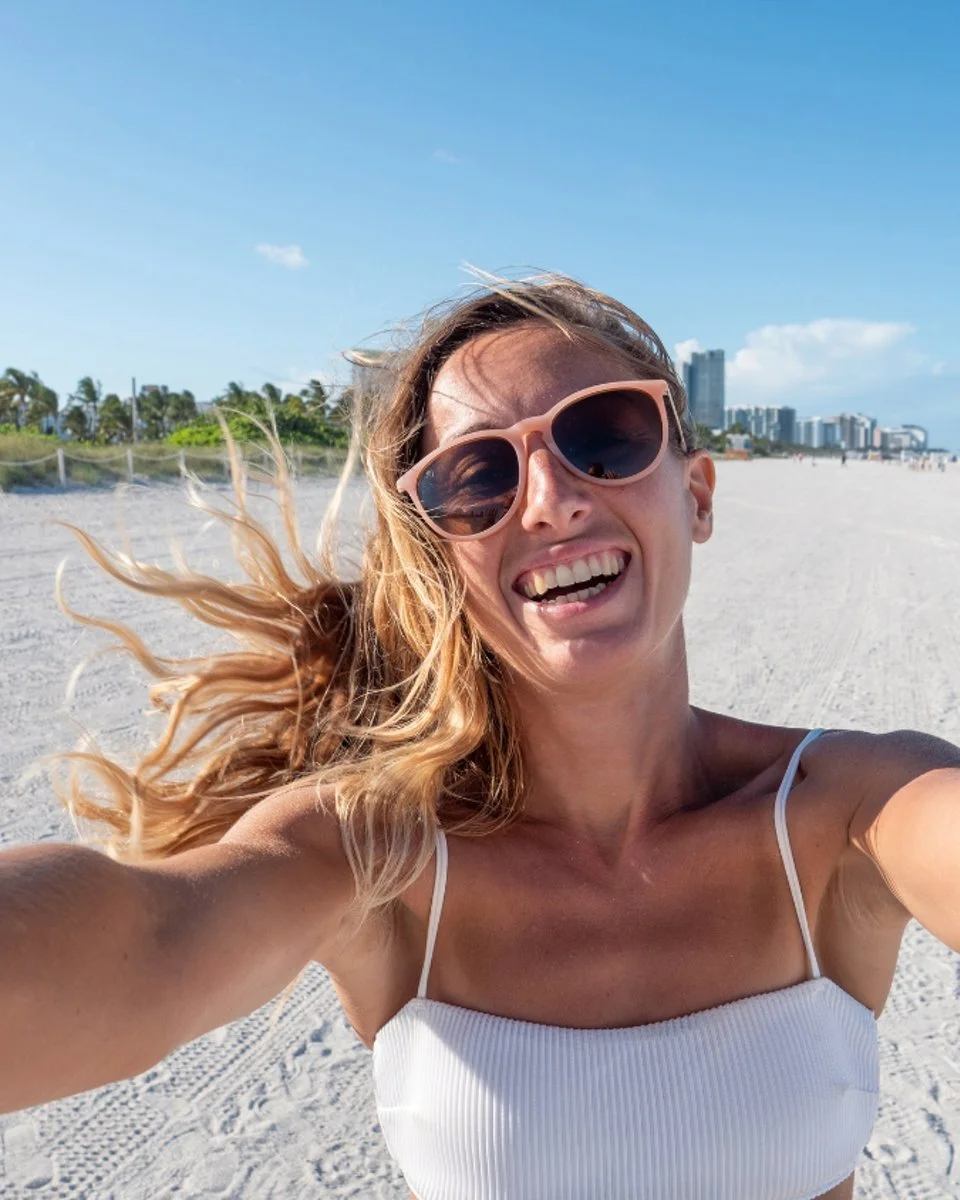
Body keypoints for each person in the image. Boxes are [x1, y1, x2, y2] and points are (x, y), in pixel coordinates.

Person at [2, 274, 960, 1200]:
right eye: (477, 477)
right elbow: (152, 935)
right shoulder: (379, 855)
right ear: (439, 562)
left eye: (606, 436)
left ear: (698, 494)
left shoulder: (855, 810)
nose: (548, 498)